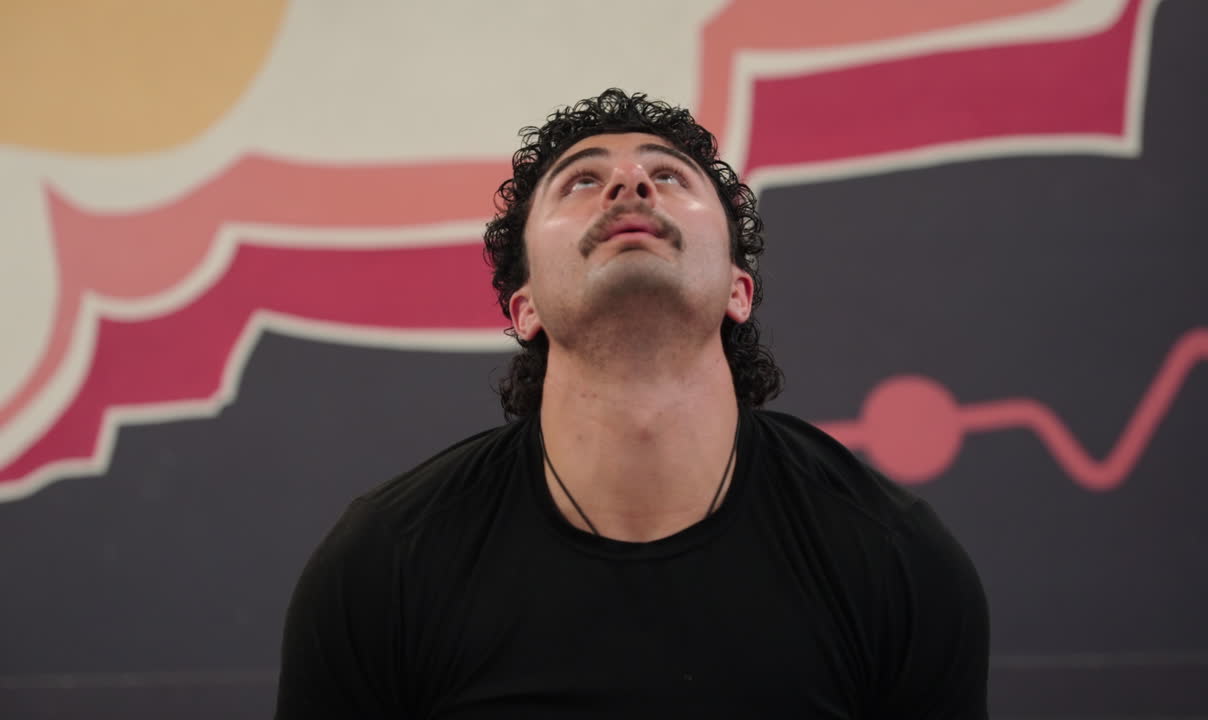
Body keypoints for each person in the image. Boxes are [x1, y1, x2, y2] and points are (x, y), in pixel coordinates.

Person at [275, 88, 989, 718]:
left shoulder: (891, 558)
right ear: (525, 309)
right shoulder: (386, 565)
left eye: (669, 176)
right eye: (581, 182)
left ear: (739, 291)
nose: (629, 184)